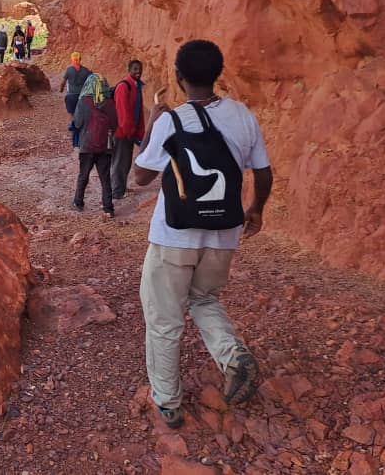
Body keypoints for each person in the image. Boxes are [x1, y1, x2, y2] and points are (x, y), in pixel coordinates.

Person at [132, 40, 273, 431]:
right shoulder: (242, 116)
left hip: (174, 235)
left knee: (164, 319)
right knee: (204, 297)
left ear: (178, 78)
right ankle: (232, 357)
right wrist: (256, 208)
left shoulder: (171, 120)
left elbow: (140, 177)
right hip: (223, 232)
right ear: (217, 75)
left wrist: (151, 126)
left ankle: (168, 403)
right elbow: (262, 171)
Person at [71, 73, 117, 216]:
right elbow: (115, 124)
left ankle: (78, 202)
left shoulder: (83, 101)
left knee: (83, 175)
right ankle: (108, 208)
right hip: (105, 146)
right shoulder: (109, 102)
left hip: (87, 145)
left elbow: (77, 123)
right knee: (105, 178)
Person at [111, 60, 145, 200]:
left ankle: (121, 187)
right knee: (120, 161)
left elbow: (138, 112)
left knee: (125, 161)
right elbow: (122, 111)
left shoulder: (136, 86)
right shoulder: (124, 87)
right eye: (135, 69)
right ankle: (117, 191)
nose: (138, 72)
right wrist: (128, 131)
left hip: (129, 131)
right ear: (129, 70)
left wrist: (138, 132)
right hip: (121, 132)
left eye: (140, 69)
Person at [59, 52, 91, 147]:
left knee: (72, 115)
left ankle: (74, 133)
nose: (76, 61)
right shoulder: (85, 71)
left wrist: (61, 90)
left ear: (72, 60)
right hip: (82, 96)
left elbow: (63, 82)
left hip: (71, 96)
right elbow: (91, 79)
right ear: (80, 59)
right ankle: (83, 132)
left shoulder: (69, 70)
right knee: (83, 114)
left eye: (75, 60)